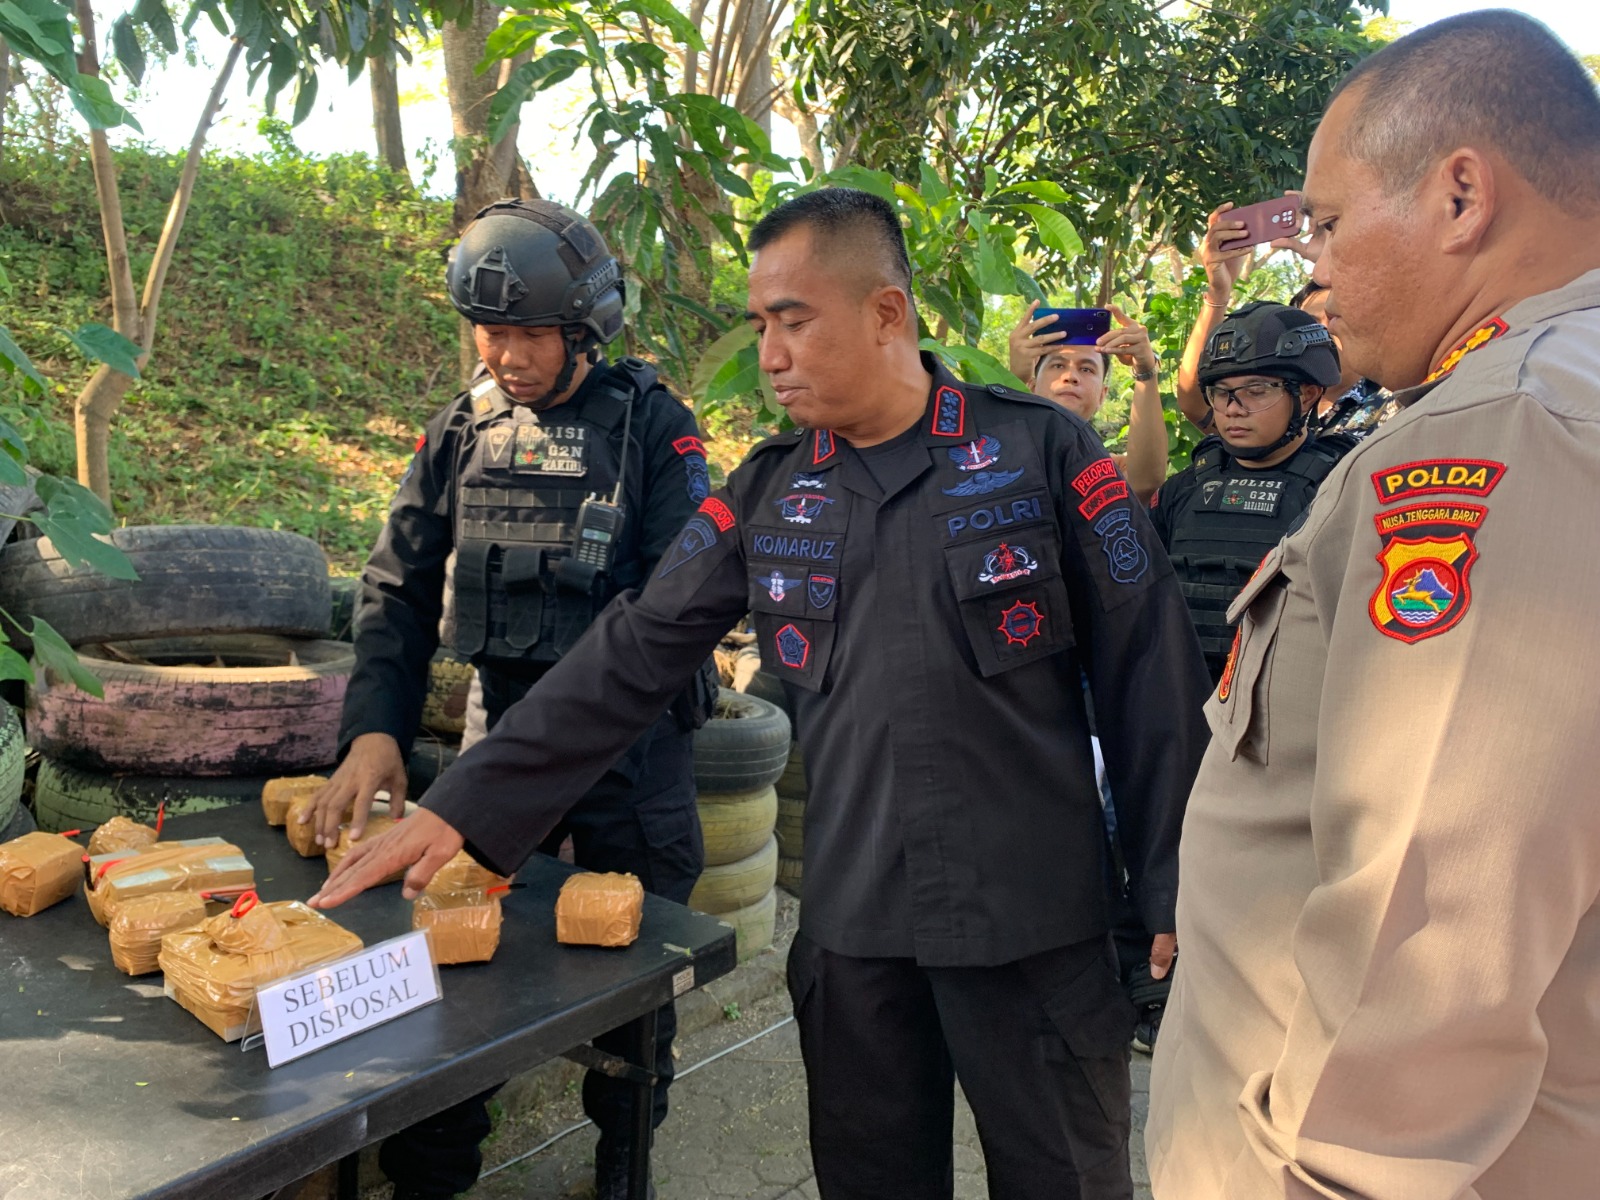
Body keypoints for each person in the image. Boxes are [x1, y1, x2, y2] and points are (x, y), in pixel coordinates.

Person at [313, 186, 1213, 1200]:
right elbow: (635, 650)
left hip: (1033, 923)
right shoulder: (772, 489)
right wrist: (465, 806)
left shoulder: (1036, 451)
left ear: (885, 313)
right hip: (857, 931)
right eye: (759, 326)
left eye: (793, 321)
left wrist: (1174, 879)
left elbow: (1151, 669)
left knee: (1066, 1181)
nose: (771, 354)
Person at [1147, 12, 1600, 1197]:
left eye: (1331, 224)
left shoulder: (1500, 430)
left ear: (1460, 196)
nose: (1318, 270)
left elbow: (1426, 929)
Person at [303, 198, 714, 1200]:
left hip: (627, 753)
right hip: (495, 746)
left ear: (587, 327)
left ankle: (624, 1158)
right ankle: (432, 1176)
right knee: (453, 972)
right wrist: (374, 733)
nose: (506, 354)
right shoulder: (462, 428)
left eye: (529, 332)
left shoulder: (655, 428)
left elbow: (676, 608)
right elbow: (396, 586)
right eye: (488, 331)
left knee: (634, 980)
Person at [1148, 300, 1355, 682]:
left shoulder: (1342, 487)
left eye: (1256, 391)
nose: (1233, 409)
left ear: (1307, 394)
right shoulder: (1185, 488)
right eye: (1220, 392)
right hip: (1182, 697)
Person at [1174, 208, 1396, 439]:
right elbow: (1196, 404)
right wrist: (1219, 292)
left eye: (1335, 319)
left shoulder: (1395, 400)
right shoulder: (1270, 405)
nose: (1324, 333)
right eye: (1311, 326)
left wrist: (1331, 261)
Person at [1008, 302, 1168, 500]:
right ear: (1032, 386)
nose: (1070, 376)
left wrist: (1145, 370)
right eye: (1058, 365)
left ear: (1102, 395)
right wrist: (1015, 381)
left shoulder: (1109, 471)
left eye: (1086, 369)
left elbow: (1146, 483)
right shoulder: (997, 453)